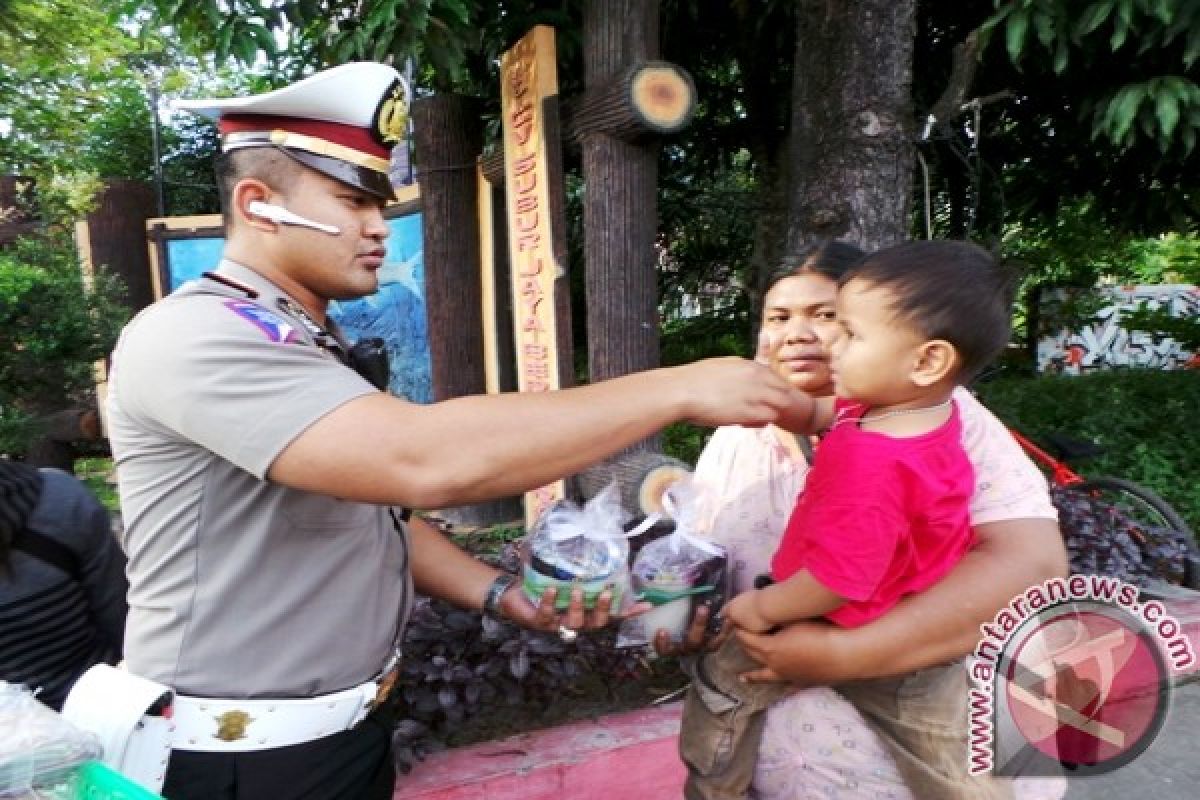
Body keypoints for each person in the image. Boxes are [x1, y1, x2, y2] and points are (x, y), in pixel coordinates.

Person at [101, 62, 801, 800]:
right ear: (258, 203)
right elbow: (423, 460)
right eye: (351, 200)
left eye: (378, 200)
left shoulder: (304, 339)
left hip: (338, 739)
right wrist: (679, 385)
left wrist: (502, 594)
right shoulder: (199, 336)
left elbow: (380, 520)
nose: (377, 224)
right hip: (238, 761)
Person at [661, 241, 1068, 799]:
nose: (805, 335)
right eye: (778, 317)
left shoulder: (923, 429)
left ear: (925, 358)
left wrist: (841, 654)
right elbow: (706, 558)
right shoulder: (740, 436)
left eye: (830, 319)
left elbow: (1032, 563)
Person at [0, 459, 127, 711]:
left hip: (98, 713)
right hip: (107, 712)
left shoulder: (59, 503)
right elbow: (125, 623)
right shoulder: (59, 497)